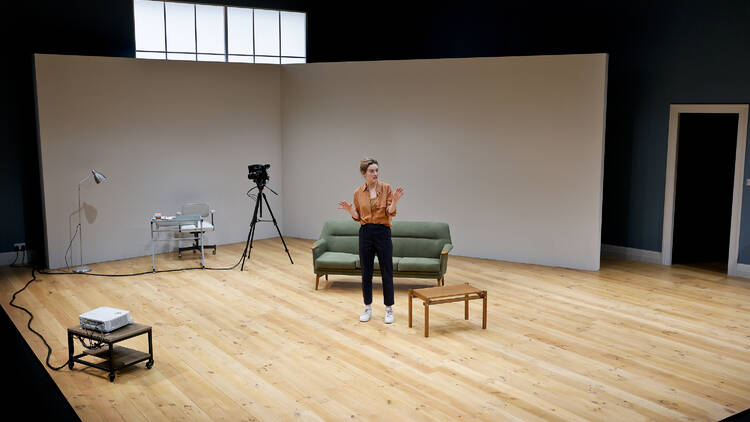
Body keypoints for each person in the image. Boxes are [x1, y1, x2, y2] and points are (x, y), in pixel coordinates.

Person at [338, 158, 404, 324]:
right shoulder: (357, 193)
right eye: (371, 171)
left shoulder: (387, 188)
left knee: (386, 271)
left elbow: (390, 212)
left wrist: (395, 200)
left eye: (376, 170)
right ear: (364, 173)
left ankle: (389, 308)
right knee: (366, 272)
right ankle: (367, 307)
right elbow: (358, 217)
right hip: (366, 233)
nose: (375, 174)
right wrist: (350, 210)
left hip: (383, 232)